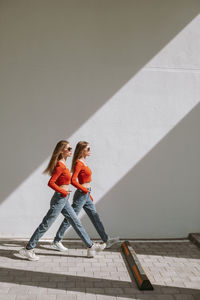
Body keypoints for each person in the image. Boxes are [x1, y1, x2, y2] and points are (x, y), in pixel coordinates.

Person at [19, 140, 105, 261]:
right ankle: (28, 249)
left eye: (71, 149)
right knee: (45, 225)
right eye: (69, 149)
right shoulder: (60, 165)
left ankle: (90, 247)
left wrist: (66, 193)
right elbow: (51, 183)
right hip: (59, 199)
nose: (71, 151)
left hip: (64, 199)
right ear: (61, 151)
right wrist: (64, 192)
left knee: (76, 222)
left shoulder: (64, 163)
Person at [52, 141, 119, 249]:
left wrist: (88, 194)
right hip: (81, 195)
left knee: (94, 216)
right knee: (71, 219)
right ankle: (57, 240)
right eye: (87, 149)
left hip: (86, 194)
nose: (89, 151)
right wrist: (84, 190)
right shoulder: (79, 163)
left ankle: (106, 239)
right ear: (82, 150)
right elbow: (73, 180)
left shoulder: (84, 162)